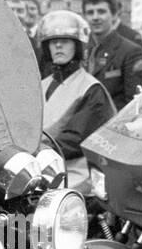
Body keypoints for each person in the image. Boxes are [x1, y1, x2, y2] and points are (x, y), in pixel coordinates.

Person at [37, 10, 115, 190]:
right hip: (37, 169)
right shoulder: (40, 85)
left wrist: (40, 151)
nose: (58, 46)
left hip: (73, 177)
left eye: (64, 41)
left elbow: (74, 138)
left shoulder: (91, 89)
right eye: (53, 42)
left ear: (78, 46)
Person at [82, 0, 142, 111]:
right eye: (90, 12)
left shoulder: (131, 53)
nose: (95, 17)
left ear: (114, 15)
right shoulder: (81, 51)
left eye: (101, 11)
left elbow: (136, 105)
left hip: (113, 127)